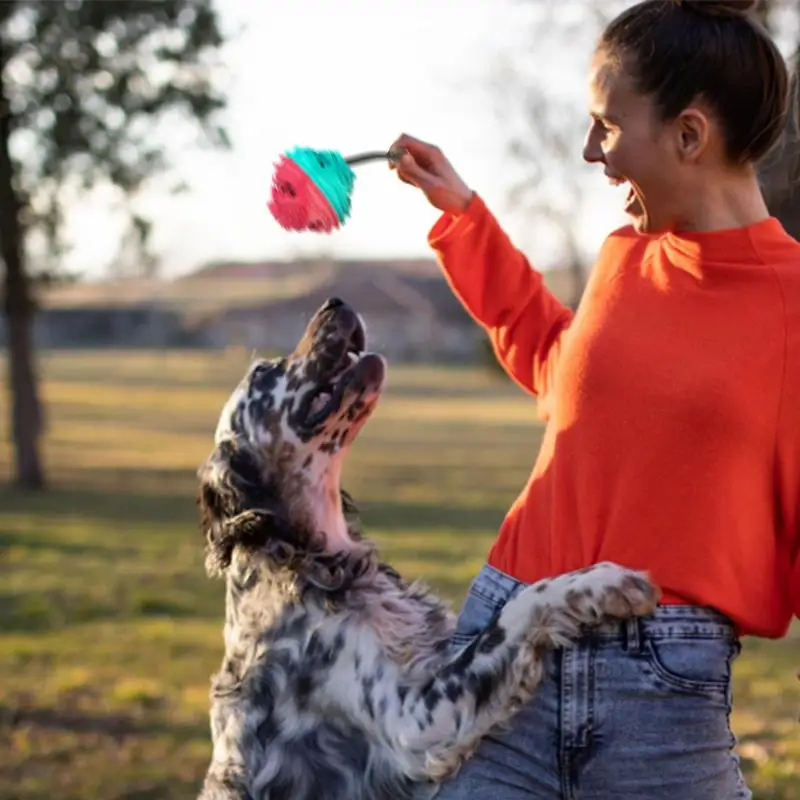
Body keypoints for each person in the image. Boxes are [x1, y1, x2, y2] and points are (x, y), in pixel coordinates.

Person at [389, 1, 800, 798]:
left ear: (689, 136)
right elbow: (560, 370)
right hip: (502, 654)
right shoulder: (625, 258)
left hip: (659, 698)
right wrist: (466, 221)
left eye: (607, 127)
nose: (590, 152)